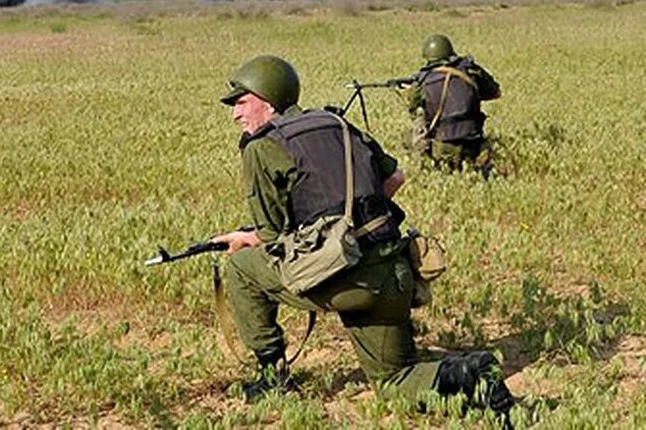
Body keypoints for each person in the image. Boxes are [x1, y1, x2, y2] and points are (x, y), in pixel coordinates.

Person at [213, 54, 514, 420]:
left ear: (268, 100)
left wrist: (246, 239)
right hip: (394, 272)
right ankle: (473, 374)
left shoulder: (262, 147)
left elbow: (273, 237)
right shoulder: (336, 123)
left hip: (347, 279)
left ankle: (270, 377)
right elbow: (396, 178)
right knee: (395, 382)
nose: (235, 114)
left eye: (241, 103)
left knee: (244, 268)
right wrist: (350, 221)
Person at [406, 34, 501, 171]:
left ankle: (426, 168)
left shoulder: (423, 81)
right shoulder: (470, 70)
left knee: (408, 138)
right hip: (474, 142)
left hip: (443, 146)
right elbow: (494, 92)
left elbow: (414, 111)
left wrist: (408, 93)